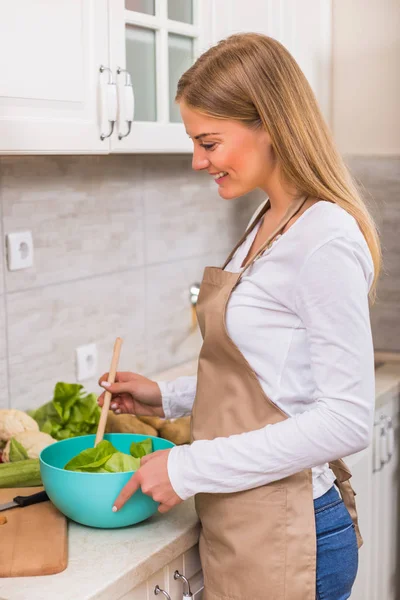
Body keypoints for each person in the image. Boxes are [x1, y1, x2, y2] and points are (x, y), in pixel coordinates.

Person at [97, 33, 381, 600]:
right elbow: (270, 376)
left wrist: (186, 468)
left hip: (290, 532)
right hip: (246, 524)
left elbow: (346, 420)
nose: (198, 160)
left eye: (209, 142)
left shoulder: (324, 237)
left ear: (269, 125)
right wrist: (168, 396)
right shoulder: (268, 218)